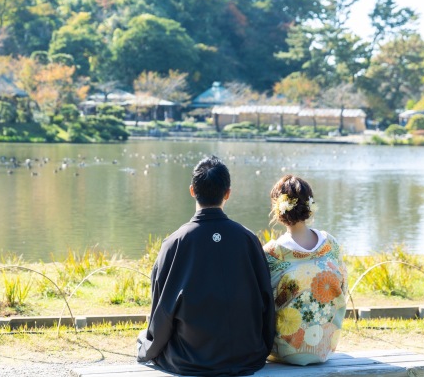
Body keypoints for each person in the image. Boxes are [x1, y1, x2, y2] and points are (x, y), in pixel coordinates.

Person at [137, 155, 275, 376]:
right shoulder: (248, 240)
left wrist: (148, 348)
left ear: (192, 190)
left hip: (190, 359)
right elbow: (266, 301)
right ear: (227, 193)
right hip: (247, 356)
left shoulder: (174, 243)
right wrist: (262, 347)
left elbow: (161, 312)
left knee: (142, 339)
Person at [263, 174, 347, 366]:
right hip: (325, 346)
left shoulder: (272, 253)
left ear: (278, 209)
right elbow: (343, 289)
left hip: (284, 350)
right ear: (309, 206)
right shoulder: (330, 244)